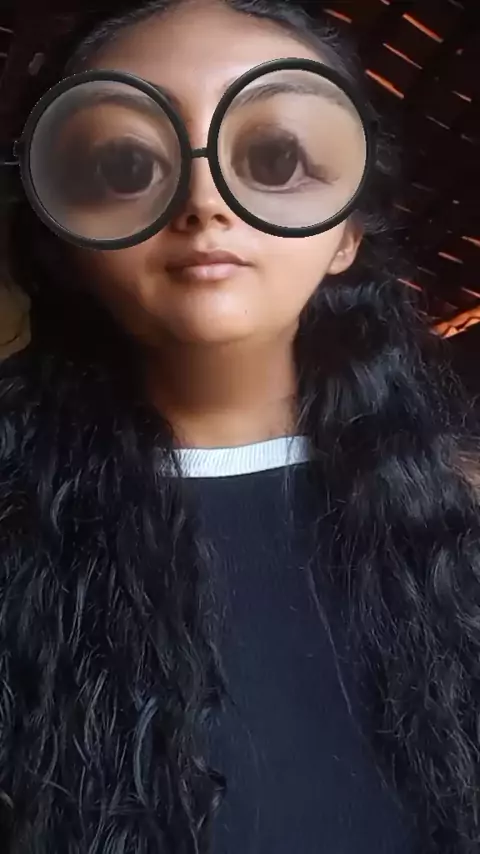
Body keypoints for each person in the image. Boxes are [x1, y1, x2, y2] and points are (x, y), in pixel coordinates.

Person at [1, 0, 480, 851]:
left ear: (347, 233)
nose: (204, 200)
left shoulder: (463, 517)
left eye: (274, 158)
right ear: (65, 234)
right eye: (125, 164)